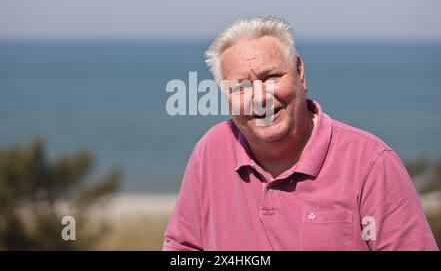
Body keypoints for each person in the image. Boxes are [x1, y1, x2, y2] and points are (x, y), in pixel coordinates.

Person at [162, 16, 438, 250]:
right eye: (241, 87)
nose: (260, 98)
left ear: (300, 73)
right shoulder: (211, 150)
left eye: (270, 77)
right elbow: (183, 246)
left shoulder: (371, 163)